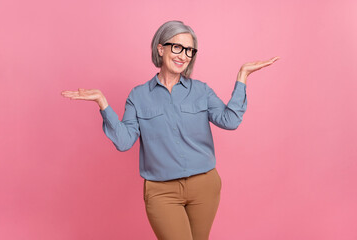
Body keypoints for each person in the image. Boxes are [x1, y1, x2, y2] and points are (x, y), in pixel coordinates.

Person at [61, 20, 279, 240]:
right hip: (161, 191)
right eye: (177, 47)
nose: (183, 55)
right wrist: (103, 103)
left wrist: (242, 76)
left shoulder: (201, 90)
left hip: (204, 185)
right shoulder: (138, 96)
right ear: (160, 48)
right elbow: (124, 142)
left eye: (189, 51)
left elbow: (230, 120)